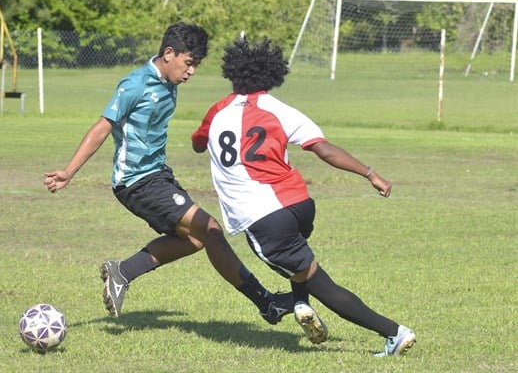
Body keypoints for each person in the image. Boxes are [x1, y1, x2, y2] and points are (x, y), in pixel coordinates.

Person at [43, 22, 292, 326]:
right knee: (210, 230)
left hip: (158, 176)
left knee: (196, 240)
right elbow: (102, 127)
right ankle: (266, 303)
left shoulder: (169, 84)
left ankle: (122, 272)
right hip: (136, 182)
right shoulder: (135, 85)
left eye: (196, 65)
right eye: (188, 63)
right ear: (169, 54)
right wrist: (69, 171)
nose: (191, 72)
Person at [191, 35, 416, 356]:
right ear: (271, 76)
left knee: (317, 281)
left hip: (262, 217)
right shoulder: (278, 109)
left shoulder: (217, 111)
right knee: (299, 258)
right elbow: (323, 149)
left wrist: (208, 139)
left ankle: (394, 333)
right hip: (299, 204)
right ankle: (299, 304)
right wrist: (370, 173)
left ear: (232, 74)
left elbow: (198, 144)